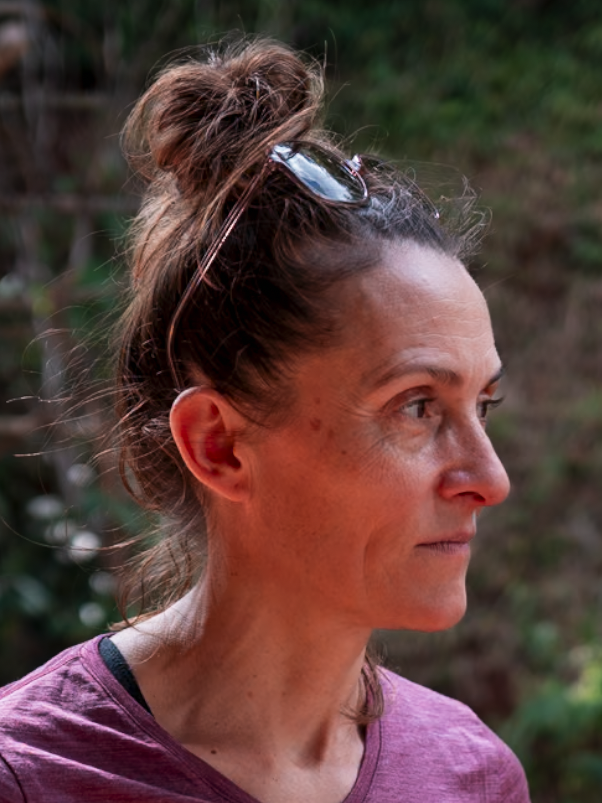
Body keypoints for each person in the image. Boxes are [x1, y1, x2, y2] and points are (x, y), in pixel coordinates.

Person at [0, 37, 530, 803]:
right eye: (417, 407)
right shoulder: (33, 775)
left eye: (482, 405)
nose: (490, 478)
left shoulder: (470, 775)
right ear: (218, 445)